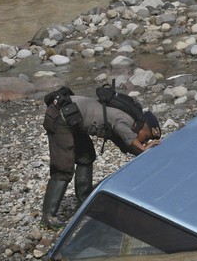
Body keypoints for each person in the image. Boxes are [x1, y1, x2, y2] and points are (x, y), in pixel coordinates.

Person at [41, 94, 161, 228]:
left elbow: (126, 144)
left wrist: (146, 153)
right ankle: (48, 216)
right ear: (143, 127)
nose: (144, 141)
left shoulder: (129, 121)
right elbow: (127, 137)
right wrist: (144, 149)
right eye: (146, 137)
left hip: (73, 120)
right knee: (63, 167)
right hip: (60, 117)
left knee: (86, 157)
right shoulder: (125, 119)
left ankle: (84, 198)